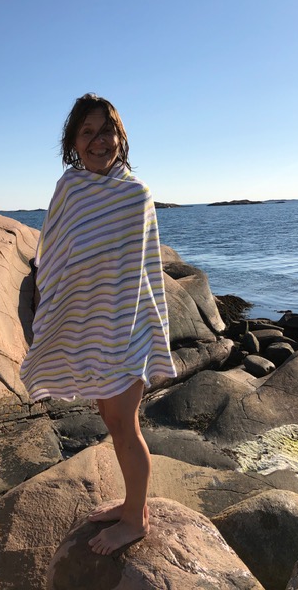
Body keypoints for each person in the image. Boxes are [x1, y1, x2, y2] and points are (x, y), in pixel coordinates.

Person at [20, 93, 177, 555]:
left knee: (125, 424)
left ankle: (135, 520)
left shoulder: (135, 194)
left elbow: (140, 270)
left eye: (106, 131)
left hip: (126, 325)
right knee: (110, 417)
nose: (98, 141)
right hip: (89, 325)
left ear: (119, 137)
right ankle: (133, 504)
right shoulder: (69, 188)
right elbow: (54, 253)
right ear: (73, 142)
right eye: (86, 132)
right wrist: (55, 308)